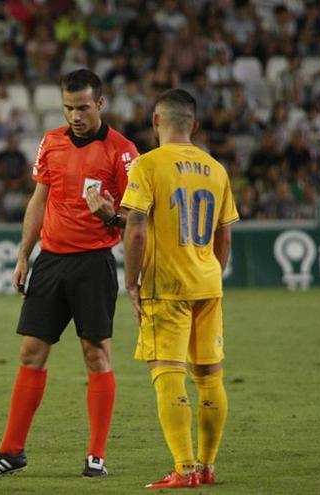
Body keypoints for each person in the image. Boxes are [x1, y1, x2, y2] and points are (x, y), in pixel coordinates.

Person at [0, 69, 138, 478]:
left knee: (96, 354)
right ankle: (11, 451)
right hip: (51, 259)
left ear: (100, 103)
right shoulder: (52, 142)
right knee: (31, 352)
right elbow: (38, 199)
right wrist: (24, 254)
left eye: (82, 107)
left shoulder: (123, 151)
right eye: (68, 107)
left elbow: (136, 220)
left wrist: (112, 216)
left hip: (94, 263)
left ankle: (96, 455)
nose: (75, 115)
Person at [120, 89, 238, 489]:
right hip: (207, 283)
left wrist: (131, 282)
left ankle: (184, 469)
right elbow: (225, 235)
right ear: (195, 125)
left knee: (167, 373)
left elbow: (135, 228)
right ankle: (206, 466)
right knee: (209, 377)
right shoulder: (215, 168)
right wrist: (211, 273)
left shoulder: (147, 165)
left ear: (155, 121)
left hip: (165, 285)